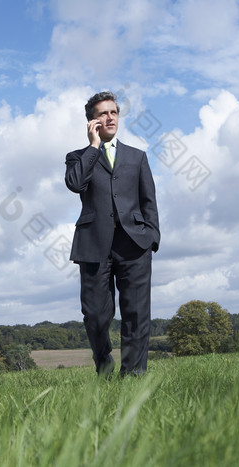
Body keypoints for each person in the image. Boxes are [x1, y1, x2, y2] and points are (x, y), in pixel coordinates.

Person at [65, 91, 160, 376]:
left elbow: (149, 201)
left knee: (136, 315)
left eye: (114, 112)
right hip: (93, 245)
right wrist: (93, 147)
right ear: (92, 121)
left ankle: (132, 377)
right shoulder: (78, 157)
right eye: (103, 113)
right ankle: (104, 368)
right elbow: (75, 184)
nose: (110, 117)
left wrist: (152, 236)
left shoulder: (137, 157)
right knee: (95, 315)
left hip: (134, 244)